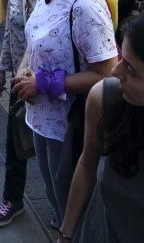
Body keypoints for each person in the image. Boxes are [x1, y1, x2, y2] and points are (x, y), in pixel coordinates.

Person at [11, 0, 118, 229]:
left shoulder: (86, 5)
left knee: (74, 212)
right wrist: (25, 69)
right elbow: (35, 38)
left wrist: (43, 82)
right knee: (55, 199)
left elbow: (106, 74)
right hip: (40, 120)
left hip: (70, 128)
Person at [58, 14, 144, 243]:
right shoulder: (106, 98)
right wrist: (65, 235)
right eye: (121, 59)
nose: (116, 72)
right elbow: (87, 164)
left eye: (132, 70)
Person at [0, 0, 50, 227]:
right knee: (14, 145)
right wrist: (2, 70)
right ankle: (12, 199)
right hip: (18, 79)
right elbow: (10, 34)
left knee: (50, 149)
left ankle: (60, 206)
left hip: (47, 83)